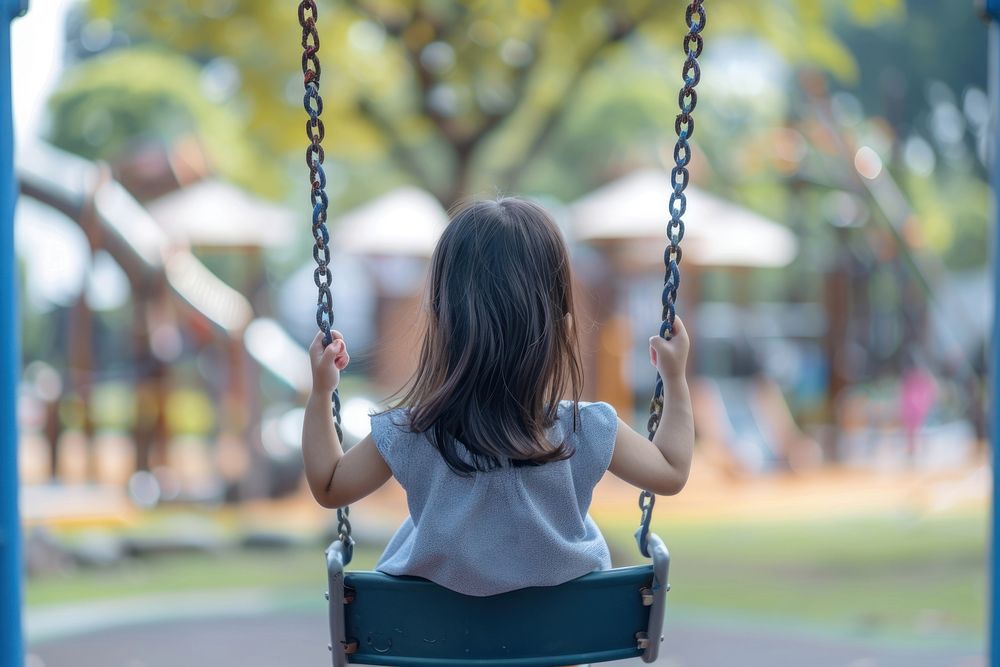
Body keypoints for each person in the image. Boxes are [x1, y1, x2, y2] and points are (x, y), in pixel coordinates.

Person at [301, 197, 694, 596]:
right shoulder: (586, 428)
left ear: (439, 319)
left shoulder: (412, 432)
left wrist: (321, 392)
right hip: (559, 642)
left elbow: (329, 485)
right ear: (561, 323)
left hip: (436, 645)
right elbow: (671, 471)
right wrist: (674, 378)